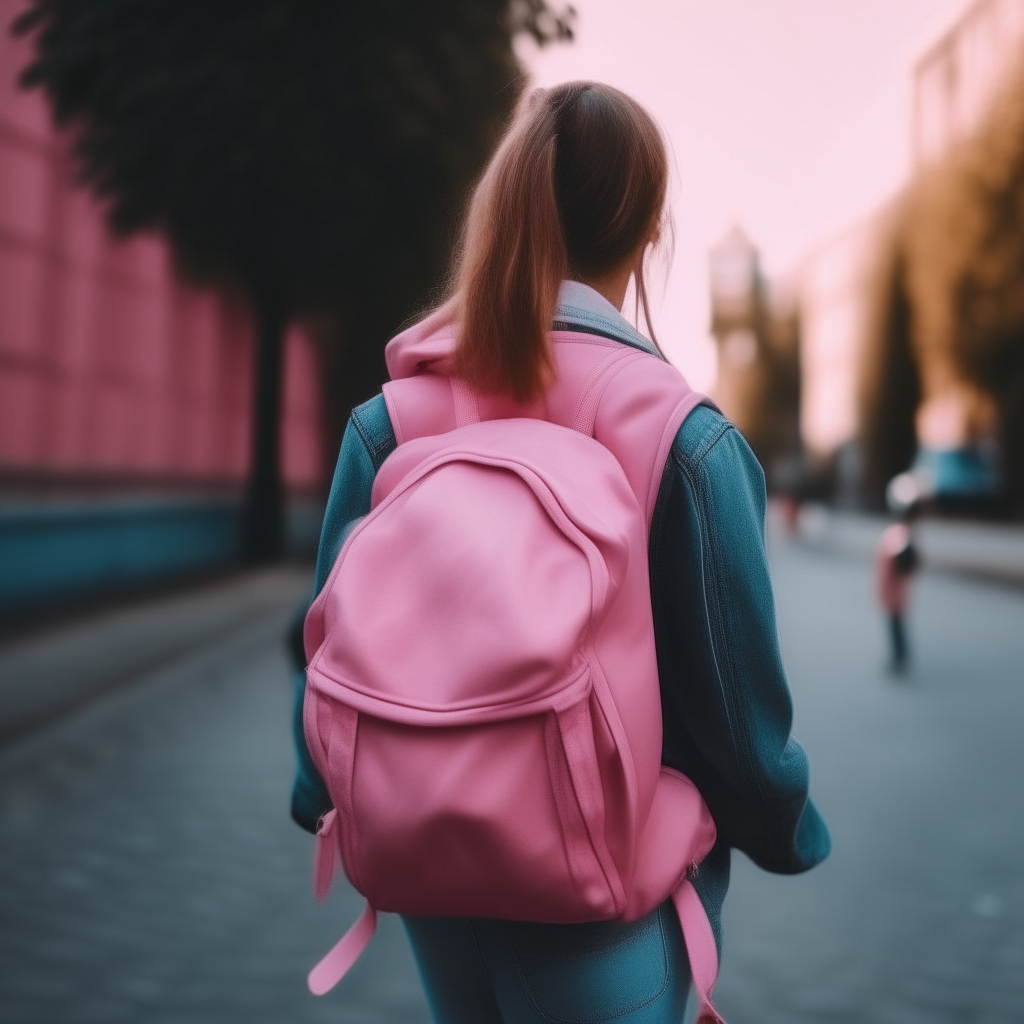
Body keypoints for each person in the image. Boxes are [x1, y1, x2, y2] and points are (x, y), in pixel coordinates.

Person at [291, 81, 829, 1024]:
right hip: (603, 889)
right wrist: (786, 828)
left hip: (423, 865)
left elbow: (325, 646)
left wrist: (319, 795)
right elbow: (738, 720)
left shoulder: (391, 419)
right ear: (650, 230)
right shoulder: (683, 436)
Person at [875, 505, 921, 674]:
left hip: (893, 589)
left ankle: (899, 658)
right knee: (898, 626)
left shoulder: (894, 535)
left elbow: (898, 560)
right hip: (898, 589)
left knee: (895, 627)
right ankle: (902, 657)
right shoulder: (903, 533)